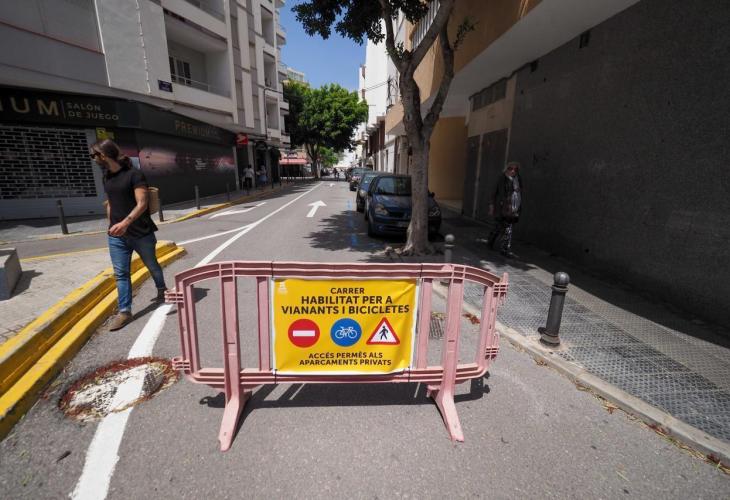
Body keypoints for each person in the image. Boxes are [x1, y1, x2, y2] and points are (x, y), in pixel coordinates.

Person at [91, 139, 168, 331]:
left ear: (104, 155)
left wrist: (125, 223)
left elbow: (142, 203)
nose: (93, 159)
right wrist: (111, 225)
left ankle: (162, 289)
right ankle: (125, 312)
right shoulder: (106, 177)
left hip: (141, 233)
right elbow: (110, 202)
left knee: (152, 265)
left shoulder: (134, 174)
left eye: (94, 155)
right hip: (117, 236)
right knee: (121, 274)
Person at [487, 161, 523, 258]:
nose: (513, 171)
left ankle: (504, 249)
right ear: (506, 169)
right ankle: (491, 241)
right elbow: (494, 193)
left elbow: (519, 193)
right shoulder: (501, 178)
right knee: (498, 227)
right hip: (502, 207)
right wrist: (491, 206)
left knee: (508, 228)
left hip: (513, 208)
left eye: (515, 169)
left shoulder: (518, 179)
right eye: (510, 168)